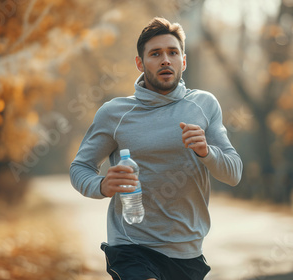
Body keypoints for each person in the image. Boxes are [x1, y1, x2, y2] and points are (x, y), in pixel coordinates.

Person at [70, 17, 243, 280]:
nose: (165, 60)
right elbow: (80, 167)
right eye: (155, 54)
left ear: (183, 61)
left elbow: (234, 173)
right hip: (131, 245)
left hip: (187, 251)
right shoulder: (115, 113)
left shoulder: (204, 105)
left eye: (173, 52)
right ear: (140, 63)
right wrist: (102, 186)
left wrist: (206, 152)